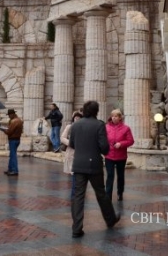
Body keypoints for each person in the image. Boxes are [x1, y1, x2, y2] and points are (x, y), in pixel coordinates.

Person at [69, 101, 120, 238]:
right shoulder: (99, 125)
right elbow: (104, 147)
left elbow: (72, 144)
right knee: (101, 193)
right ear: (96, 111)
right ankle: (110, 219)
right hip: (94, 165)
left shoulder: (76, 125)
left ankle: (76, 228)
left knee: (78, 196)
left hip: (78, 164)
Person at [104, 109, 134, 202]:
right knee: (110, 175)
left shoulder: (126, 128)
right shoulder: (106, 127)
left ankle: (120, 192)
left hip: (121, 156)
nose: (114, 117)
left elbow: (131, 141)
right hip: (109, 155)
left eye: (116, 116)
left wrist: (121, 144)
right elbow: (103, 139)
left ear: (120, 117)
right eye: (112, 116)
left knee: (120, 176)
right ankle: (108, 195)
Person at [61, 111, 82, 199]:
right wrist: (70, 143)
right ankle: (74, 194)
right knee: (74, 173)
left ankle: (79, 194)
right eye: (75, 117)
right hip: (71, 151)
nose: (77, 119)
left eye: (78, 117)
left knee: (79, 174)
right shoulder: (69, 127)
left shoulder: (84, 127)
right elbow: (62, 138)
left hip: (81, 152)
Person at [1, 109, 23, 176]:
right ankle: (10, 169)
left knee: (13, 155)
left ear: (12, 114)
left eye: (9, 115)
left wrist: (3, 130)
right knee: (12, 155)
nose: (9, 116)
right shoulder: (19, 120)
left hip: (13, 139)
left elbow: (9, 132)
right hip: (17, 139)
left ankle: (14, 170)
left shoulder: (14, 121)